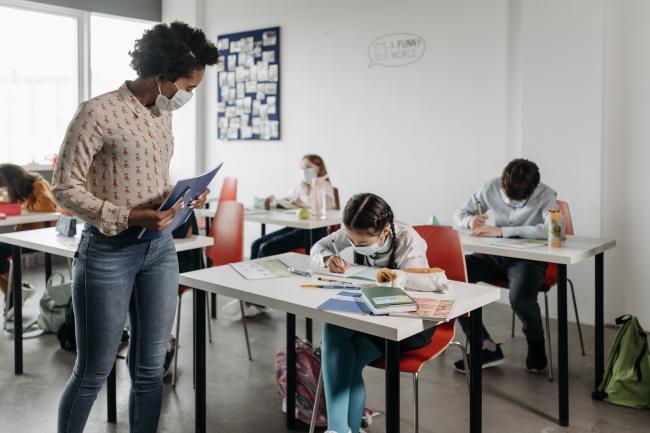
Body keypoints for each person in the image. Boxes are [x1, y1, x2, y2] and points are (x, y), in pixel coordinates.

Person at [52, 22, 218, 433]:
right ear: (163, 75)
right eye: (188, 86)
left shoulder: (161, 115)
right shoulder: (97, 112)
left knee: (149, 369)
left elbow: (150, 177)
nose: (189, 96)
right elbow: (63, 189)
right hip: (108, 252)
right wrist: (128, 216)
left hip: (158, 249)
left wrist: (180, 200)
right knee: (93, 370)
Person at [310, 193, 431, 433]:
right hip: (367, 314)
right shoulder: (355, 232)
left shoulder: (409, 240)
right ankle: (340, 430)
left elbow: (421, 282)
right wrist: (328, 258)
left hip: (407, 323)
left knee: (348, 360)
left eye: (363, 244)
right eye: (351, 241)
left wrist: (394, 278)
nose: (355, 247)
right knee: (332, 325)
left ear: (385, 230)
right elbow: (318, 247)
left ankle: (340, 430)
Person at [453, 158, 558, 374]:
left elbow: (554, 230)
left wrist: (502, 231)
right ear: (502, 183)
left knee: (520, 299)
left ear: (533, 189)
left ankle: (536, 345)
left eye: (519, 202)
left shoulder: (547, 195)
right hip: (493, 254)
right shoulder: (490, 187)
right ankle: (485, 345)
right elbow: (459, 214)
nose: (511, 205)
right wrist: (470, 221)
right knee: (453, 279)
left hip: (528, 259)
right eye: (508, 198)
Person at [223, 154, 336, 317]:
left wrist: (305, 201)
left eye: (309, 168)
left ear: (319, 168)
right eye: (302, 168)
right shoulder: (301, 186)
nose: (305, 171)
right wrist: (275, 201)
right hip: (297, 227)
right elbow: (286, 200)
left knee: (267, 248)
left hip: (313, 232)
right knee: (256, 244)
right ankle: (249, 296)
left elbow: (330, 206)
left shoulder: (323, 185)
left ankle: (258, 301)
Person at [0, 163, 58, 315]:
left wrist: (27, 207)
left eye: (5, 186)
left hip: (41, 237)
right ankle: (16, 291)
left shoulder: (38, 184)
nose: (6, 190)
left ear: (12, 181)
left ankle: (15, 291)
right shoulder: (21, 191)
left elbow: (48, 206)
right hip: (24, 236)